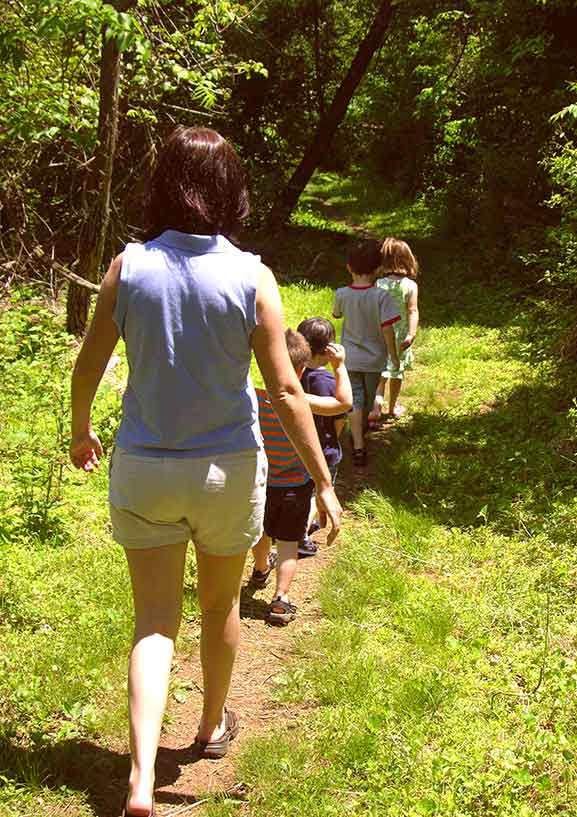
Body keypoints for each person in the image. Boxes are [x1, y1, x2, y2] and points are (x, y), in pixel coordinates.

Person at [69, 126, 341, 817]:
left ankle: (137, 780)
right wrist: (326, 482)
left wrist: (79, 429)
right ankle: (210, 725)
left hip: (147, 468)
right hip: (227, 469)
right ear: (229, 190)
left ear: (163, 183)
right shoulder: (253, 275)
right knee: (219, 606)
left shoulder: (127, 267)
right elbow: (283, 389)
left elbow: (91, 362)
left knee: (153, 621)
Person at [251, 329, 351, 625]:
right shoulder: (302, 401)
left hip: (261, 483)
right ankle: (280, 599)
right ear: (302, 368)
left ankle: (259, 570)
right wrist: (340, 366)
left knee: (260, 532)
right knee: (287, 543)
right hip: (295, 485)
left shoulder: (253, 400)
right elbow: (343, 403)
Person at [332, 239, 401, 467]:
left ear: (349, 268)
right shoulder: (382, 297)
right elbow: (388, 330)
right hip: (374, 359)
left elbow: (336, 314)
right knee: (369, 399)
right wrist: (394, 356)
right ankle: (360, 442)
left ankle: (357, 443)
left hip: (349, 357)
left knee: (356, 400)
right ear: (379, 269)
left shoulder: (342, 293)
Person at [296, 317, 347, 556]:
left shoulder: (295, 376)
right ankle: (301, 536)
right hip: (323, 448)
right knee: (318, 491)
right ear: (329, 350)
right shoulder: (327, 380)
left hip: (297, 445)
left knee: (302, 489)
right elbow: (340, 417)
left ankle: (297, 526)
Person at [369, 238, 419, 422]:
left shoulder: (378, 284)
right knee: (397, 374)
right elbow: (412, 310)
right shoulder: (410, 286)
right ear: (407, 260)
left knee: (381, 376)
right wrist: (411, 334)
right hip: (399, 337)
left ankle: (375, 410)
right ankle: (392, 408)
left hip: (380, 334)